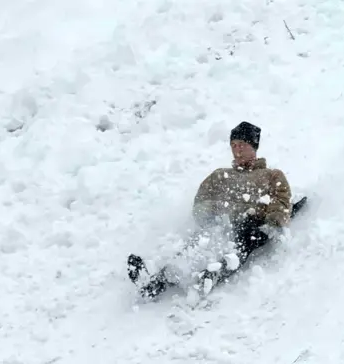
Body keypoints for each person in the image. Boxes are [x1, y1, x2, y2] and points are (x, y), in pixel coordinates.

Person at [127, 121, 300, 300]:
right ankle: (157, 280)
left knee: (241, 239)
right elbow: (201, 200)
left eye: (242, 145)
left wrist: (272, 223)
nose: (237, 150)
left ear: (253, 147)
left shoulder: (271, 175)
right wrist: (211, 212)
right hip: (220, 222)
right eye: (233, 145)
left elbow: (281, 200)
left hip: (250, 226)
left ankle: (211, 275)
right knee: (198, 242)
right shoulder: (220, 175)